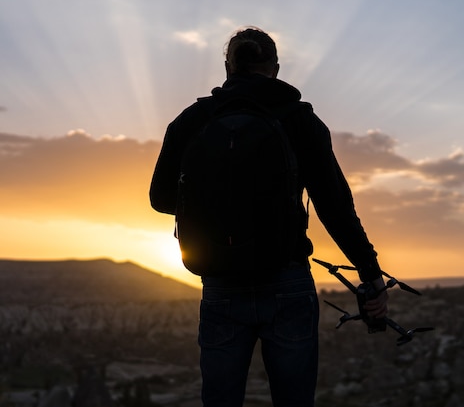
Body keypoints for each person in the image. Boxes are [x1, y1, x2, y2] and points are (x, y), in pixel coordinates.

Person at [149, 26, 389, 407]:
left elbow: (160, 199)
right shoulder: (301, 120)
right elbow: (335, 207)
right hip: (287, 279)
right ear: (275, 68)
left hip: (219, 282)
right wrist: (371, 274)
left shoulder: (191, 121)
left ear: (228, 68)